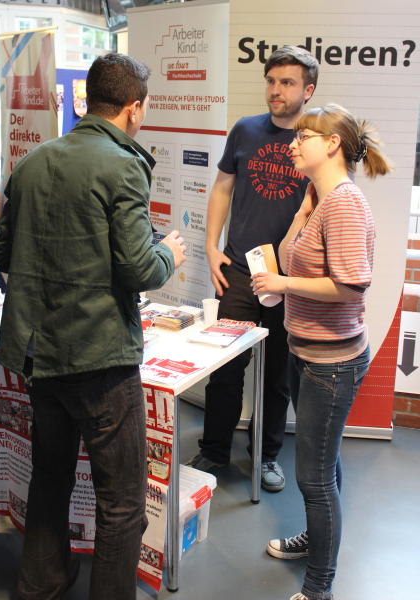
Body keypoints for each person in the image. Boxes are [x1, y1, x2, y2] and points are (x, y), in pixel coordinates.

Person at [0, 53, 186, 600]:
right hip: (101, 360)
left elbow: (4, 251)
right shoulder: (124, 165)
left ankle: (41, 584)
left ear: (87, 101)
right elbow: (138, 269)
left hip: (42, 354)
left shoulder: (31, 162)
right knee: (122, 502)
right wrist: (169, 253)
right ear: (133, 108)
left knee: (50, 479)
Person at [251, 103, 391, 600]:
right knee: (323, 466)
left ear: (331, 144)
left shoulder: (346, 203)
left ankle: (319, 587)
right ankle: (316, 542)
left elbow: (352, 286)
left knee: (312, 475)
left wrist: (281, 282)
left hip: (332, 364)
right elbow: (290, 252)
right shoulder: (320, 198)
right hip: (306, 351)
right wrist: (303, 212)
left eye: (304, 135)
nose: (293, 142)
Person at [188, 46, 319, 492]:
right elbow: (223, 187)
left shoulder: (317, 139)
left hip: (292, 279)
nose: (276, 90)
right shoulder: (245, 131)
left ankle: (267, 455)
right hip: (241, 271)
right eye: (272, 80)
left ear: (309, 90)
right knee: (226, 366)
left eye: (287, 83)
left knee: (278, 372)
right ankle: (214, 450)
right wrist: (210, 245)